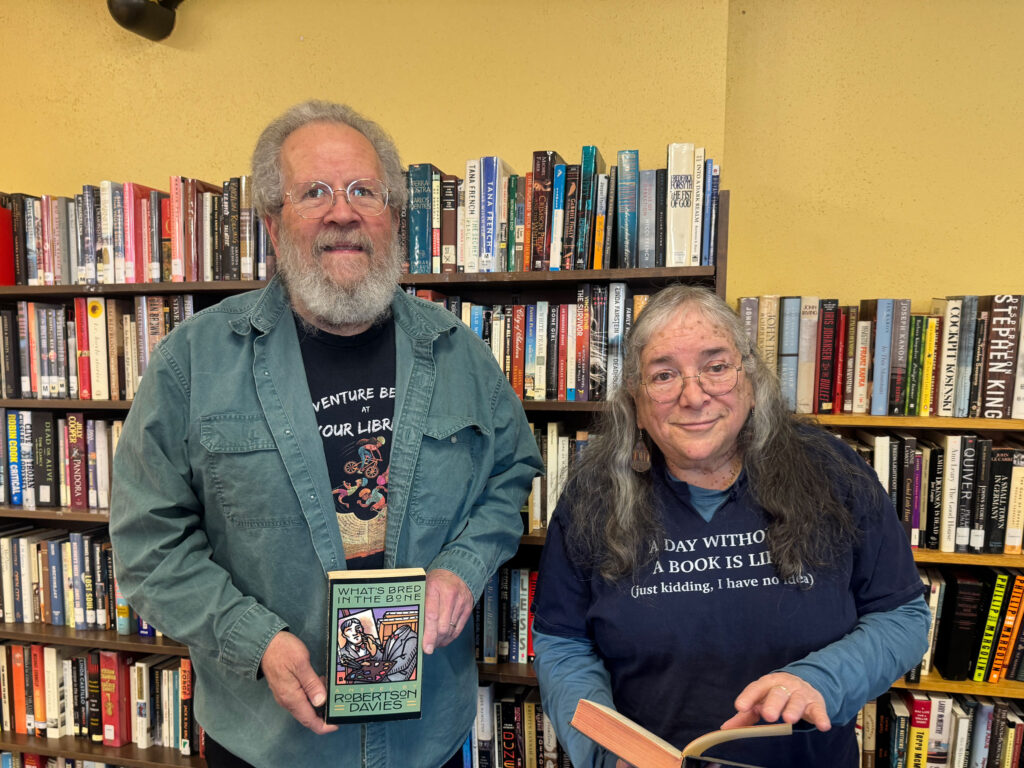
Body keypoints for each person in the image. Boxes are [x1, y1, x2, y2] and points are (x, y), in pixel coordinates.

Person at [109, 99, 542, 768]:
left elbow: (510, 472)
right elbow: (147, 545)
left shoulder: (461, 355)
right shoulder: (191, 365)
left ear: (393, 219)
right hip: (268, 744)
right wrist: (254, 639)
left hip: (426, 738)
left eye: (363, 191)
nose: (343, 212)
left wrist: (464, 565)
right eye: (315, 192)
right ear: (274, 225)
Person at [530, 285, 930, 768]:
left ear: (750, 377)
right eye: (663, 375)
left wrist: (820, 681)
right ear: (636, 400)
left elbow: (903, 619)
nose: (693, 395)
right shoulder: (593, 494)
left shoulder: (833, 471)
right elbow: (563, 645)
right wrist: (606, 754)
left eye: (716, 367)